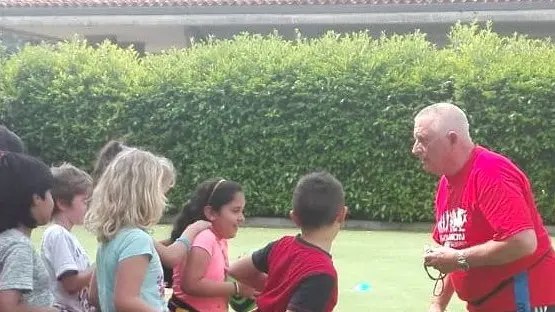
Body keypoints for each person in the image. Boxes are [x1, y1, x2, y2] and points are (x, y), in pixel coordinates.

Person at [413, 103, 555, 312]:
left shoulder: (490, 172)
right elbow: (452, 249)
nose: (415, 149)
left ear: (452, 139)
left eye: (423, 140)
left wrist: (459, 259)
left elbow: (523, 242)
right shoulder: (447, 182)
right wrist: (438, 303)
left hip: (525, 301)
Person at [84, 148, 207, 312]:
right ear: (147, 194)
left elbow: (94, 296)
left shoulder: (110, 237)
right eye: (160, 192)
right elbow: (126, 301)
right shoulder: (136, 239)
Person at [228, 171, 346, 312]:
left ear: (294, 217)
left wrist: (280, 290)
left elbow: (236, 270)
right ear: (342, 215)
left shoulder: (281, 245)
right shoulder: (322, 274)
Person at [168, 178, 257, 312]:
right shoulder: (204, 238)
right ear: (211, 213)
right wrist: (237, 288)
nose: (242, 218)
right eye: (235, 211)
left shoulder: (219, 239)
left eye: (242, 211)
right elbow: (191, 285)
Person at [0, 152, 57, 312]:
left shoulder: (5, 239)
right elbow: (7, 307)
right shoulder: (19, 247)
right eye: (49, 193)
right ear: (36, 198)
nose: (52, 201)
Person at [41, 163, 95, 312]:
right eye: (85, 202)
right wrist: (100, 265)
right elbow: (71, 283)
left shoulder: (66, 235)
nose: (89, 207)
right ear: (63, 203)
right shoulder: (57, 234)